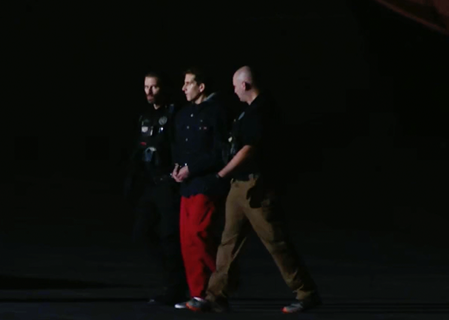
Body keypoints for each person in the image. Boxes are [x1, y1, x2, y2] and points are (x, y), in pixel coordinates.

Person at [186, 66, 321, 313]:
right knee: (229, 242)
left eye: (236, 86)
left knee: (275, 241)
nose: (234, 91)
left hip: (256, 187)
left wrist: (221, 173)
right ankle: (215, 295)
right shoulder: (247, 112)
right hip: (239, 186)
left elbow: (249, 149)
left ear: (245, 85)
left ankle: (306, 293)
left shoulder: (262, 110)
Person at [171, 67, 230, 309]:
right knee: (187, 239)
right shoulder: (184, 114)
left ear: (201, 86)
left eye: (188, 83)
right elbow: (178, 147)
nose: (184, 88)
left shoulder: (216, 112)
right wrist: (176, 167)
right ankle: (198, 293)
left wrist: (192, 169)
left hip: (206, 182)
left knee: (200, 234)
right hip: (186, 185)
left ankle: (218, 288)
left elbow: (219, 152)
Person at [127, 71, 187, 306]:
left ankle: (175, 287)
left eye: (154, 87)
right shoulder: (145, 117)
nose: (149, 92)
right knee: (142, 232)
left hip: (168, 184)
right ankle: (173, 280)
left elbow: (180, 147)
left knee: (169, 237)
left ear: (164, 88)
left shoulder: (174, 115)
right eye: (145, 87)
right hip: (150, 184)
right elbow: (138, 149)